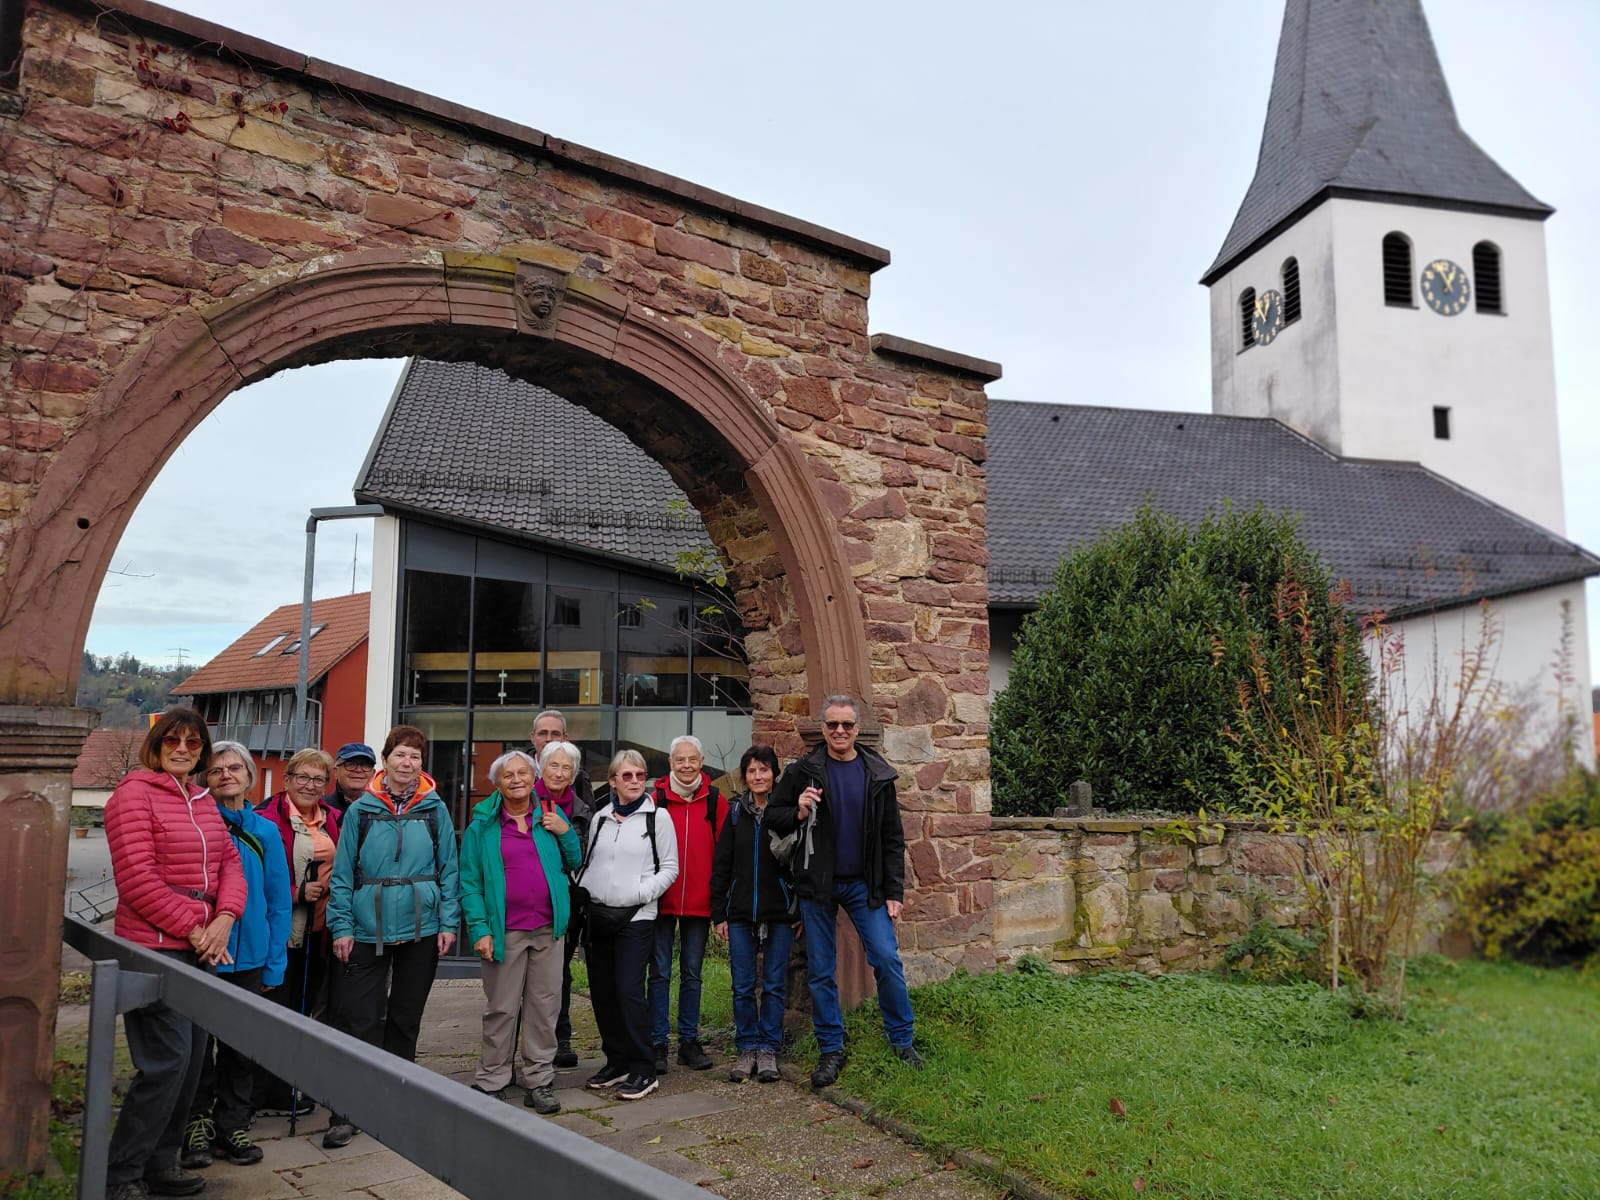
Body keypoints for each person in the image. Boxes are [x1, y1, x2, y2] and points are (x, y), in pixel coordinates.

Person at [103, 709, 246, 1200]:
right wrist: (196, 928)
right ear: (156, 744)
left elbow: (230, 862)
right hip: (154, 947)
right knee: (166, 1061)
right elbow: (137, 881)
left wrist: (225, 917)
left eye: (193, 742)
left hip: (202, 942)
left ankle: (162, 1163)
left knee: (190, 1065)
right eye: (173, 741)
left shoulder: (203, 798)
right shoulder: (133, 795)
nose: (183, 749)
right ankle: (121, 1171)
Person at [768, 694, 924, 1088]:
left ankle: (902, 1040)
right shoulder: (804, 771)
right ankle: (831, 1049)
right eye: (833, 725)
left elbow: (892, 838)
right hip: (817, 886)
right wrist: (798, 810)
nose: (840, 731)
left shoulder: (877, 773)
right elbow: (772, 815)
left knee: (887, 959)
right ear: (823, 729)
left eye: (847, 725)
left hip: (864, 885)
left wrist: (894, 891)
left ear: (857, 729)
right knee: (821, 971)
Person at [324, 725, 460, 1149]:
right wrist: (341, 926)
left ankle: (401, 1099)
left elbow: (449, 870)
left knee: (405, 1018)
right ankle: (348, 1108)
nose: (408, 764)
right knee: (357, 1019)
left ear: (423, 765)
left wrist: (449, 922)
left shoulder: (436, 809)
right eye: (401, 755)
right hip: (367, 925)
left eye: (415, 757)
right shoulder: (361, 811)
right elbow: (343, 874)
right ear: (386, 760)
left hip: (422, 927)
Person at [180, 742, 291, 1170]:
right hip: (203, 953)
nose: (226, 774)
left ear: (249, 775)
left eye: (234, 768)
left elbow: (279, 900)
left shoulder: (265, 831)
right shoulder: (198, 824)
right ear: (204, 778)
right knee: (196, 1045)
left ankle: (233, 1124)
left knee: (240, 1047)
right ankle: (195, 1124)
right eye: (216, 769)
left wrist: (275, 960)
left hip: (251, 956)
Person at [459, 745, 583, 1114]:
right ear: (497, 782)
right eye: (508, 775)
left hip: (548, 928)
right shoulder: (482, 825)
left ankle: (539, 1080)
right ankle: (493, 1079)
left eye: (523, 773)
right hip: (503, 931)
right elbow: (470, 883)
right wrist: (479, 929)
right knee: (502, 1008)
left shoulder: (550, 813)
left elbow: (574, 861)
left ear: (534, 779)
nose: (516, 780)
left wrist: (565, 832)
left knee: (545, 1008)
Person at [576, 750, 677, 1102]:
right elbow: (588, 861)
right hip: (600, 916)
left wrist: (641, 893)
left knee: (629, 992)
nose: (635, 781)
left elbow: (670, 868)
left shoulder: (658, 818)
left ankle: (643, 1068)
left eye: (640, 775)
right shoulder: (601, 818)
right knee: (602, 992)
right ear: (614, 780)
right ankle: (616, 1061)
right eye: (627, 775)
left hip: (636, 917)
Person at [253, 746, 341, 1114]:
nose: (310, 785)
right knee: (277, 1011)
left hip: (319, 930)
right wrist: (297, 893)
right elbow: (255, 879)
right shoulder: (265, 818)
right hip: (282, 930)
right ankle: (268, 1091)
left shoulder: (332, 817)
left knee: (305, 1011)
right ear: (286, 780)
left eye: (318, 779)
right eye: (302, 777)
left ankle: (291, 1082)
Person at [710, 745, 793, 1084]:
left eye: (764, 770)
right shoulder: (734, 815)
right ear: (744, 777)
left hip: (780, 914)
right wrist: (719, 913)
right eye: (752, 771)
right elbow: (722, 866)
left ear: (774, 773)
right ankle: (747, 1047)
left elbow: (798, 863)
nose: (758, 777)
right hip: (741, 913)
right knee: (743, 985)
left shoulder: (786, 812)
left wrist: (797, 909)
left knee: (774, 985)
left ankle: (768, 1048)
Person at [646, 735, 727, 1074]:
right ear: (670, 762)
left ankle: (690, 1042)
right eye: (680, 759)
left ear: (701, 760)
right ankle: (657, 1042)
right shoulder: (655, 799)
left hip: (699, 899)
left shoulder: (715, 800)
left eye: (692, 759)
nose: (687, 765)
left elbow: (725, 853)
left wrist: (720, 899)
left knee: (692, 973)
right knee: (660, 973)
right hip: (661, 899)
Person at [530, 709, 595, 1069]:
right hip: (524, 897)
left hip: (563, 897)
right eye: (544, 734)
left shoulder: (581, 795)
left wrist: (565, 830)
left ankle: (560, 1034)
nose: (558, 770)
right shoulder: (519, 784)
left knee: (558, 971)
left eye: (557, 734)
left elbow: (583, 850)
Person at [324, 743, 377, 816]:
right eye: (350, 764)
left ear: (373, 774)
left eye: (365, 765)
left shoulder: (382, 810)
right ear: (335, 771)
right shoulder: (322, 810)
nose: (358, 770)